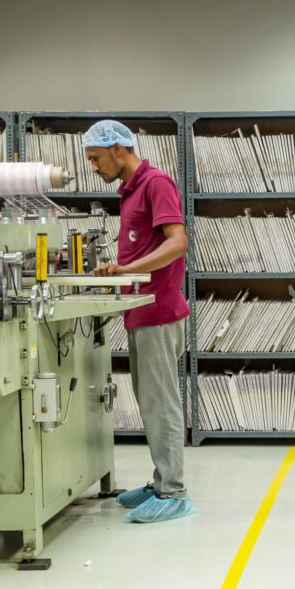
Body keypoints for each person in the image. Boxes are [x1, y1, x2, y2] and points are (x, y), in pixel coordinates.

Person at [84, 120, 195, 523]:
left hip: (158, 312)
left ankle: (173, 493)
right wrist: (118, 273)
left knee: (161, 404)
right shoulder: (130, 191)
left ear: (118, 149)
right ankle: (160, 480)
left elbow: (178, 242)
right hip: (140, 312)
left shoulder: (155, 183)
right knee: (150, 404)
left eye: (96, 158)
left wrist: (127, 270)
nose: (93, 167)